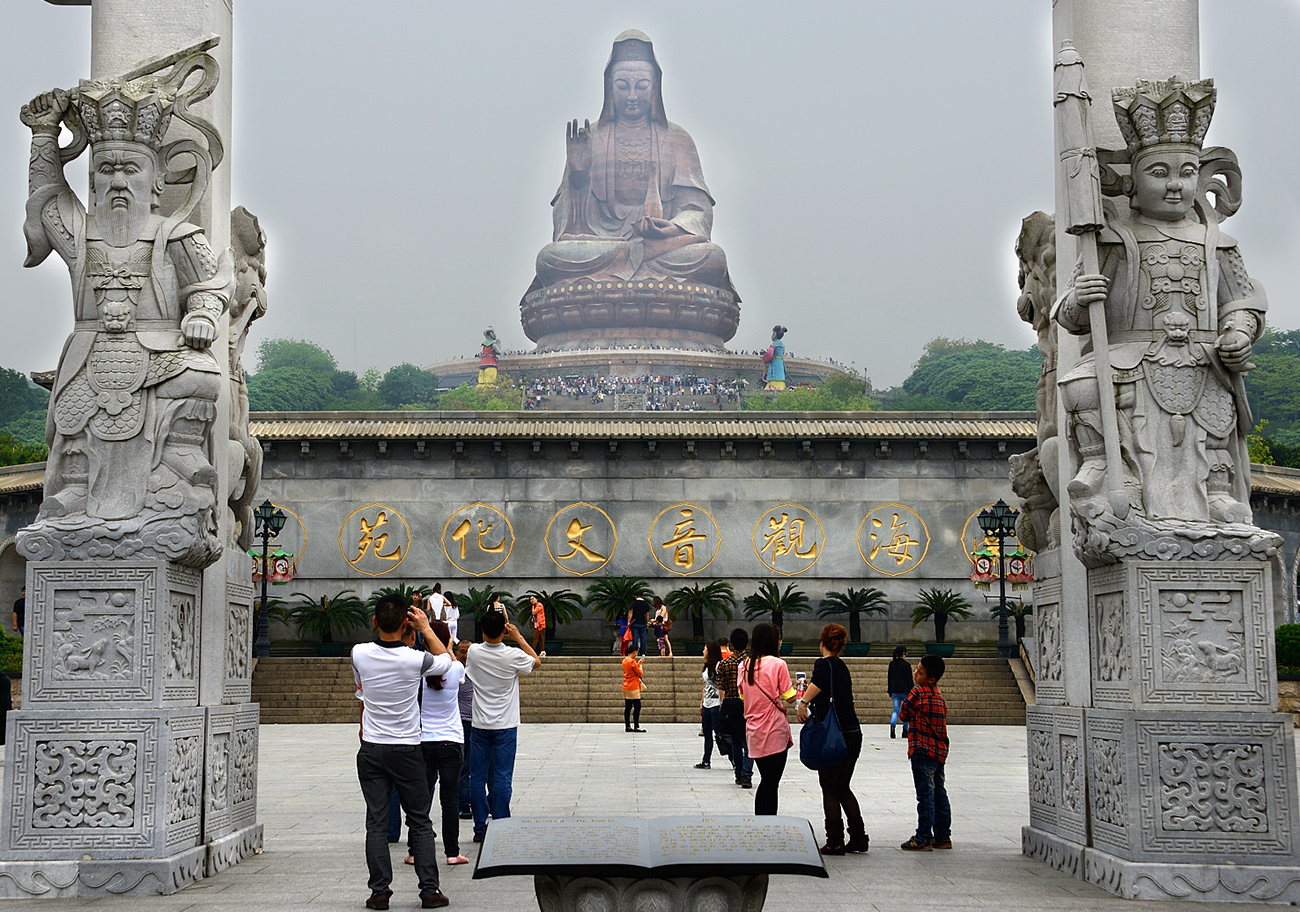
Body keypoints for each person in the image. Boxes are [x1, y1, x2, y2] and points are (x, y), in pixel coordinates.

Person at [352, 593, 452, 910]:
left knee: (376, 823)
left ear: (375, 621)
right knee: (419, 821)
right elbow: (447, 662)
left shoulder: (359, 653)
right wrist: (426, 629)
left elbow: (362, 693)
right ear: (407, 623)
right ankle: (429, 891)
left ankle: (379, 891)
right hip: (407, 748)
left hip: (371, 749)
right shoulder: (414, 659)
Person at [466, 610, 541, 844]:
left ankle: (480, 826)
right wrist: (518, 637)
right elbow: (536, 662)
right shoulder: (512, 655)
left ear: (482, 631)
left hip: (479, 724)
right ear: (504, 631)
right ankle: (500, 823)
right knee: (502, 776)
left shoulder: (473, 652)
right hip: (506, 725)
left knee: (476, 776)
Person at [797, 624, 868, 855]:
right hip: (853, 732)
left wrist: (803, 702)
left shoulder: (823, 664)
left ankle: (835, 840)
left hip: (833, 736)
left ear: (822, 643)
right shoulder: (842, 666)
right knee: (843, 786)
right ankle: (858, 837)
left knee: (829, 786)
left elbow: (817, 683)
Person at [738, 622, 795, 815]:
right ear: (773, 641)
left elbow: (743, 696)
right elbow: (790, 697)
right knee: (772, 782)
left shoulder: (744, 665)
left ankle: (760, 822)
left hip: (753, 730)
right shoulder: (779, 664)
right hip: (775, 730)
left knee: (766, 780)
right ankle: (769, 823)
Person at [898, 655, 950, 851]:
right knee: (939, 793)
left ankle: (923, 837)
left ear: (931, 679)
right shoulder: (938, 695)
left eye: (919, 672)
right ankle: (943, 836)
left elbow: (904, 714)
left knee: (925, 795)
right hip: (938, 752)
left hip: (921, 749)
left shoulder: (917, 692)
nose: (915, 673)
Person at [715, 627, 752, 788]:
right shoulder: (751, 663)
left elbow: (720, 685)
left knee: (736, 741)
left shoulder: (724, 663)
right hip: (747, 705)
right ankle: (746, 774)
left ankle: (738, 773)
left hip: (730, 704)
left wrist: (723, 704)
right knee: (748, 742)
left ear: (732, 643)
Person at [454, 640, 474, 820]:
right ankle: (464, 803)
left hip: (480, 723)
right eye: (461, 651)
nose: (466, 655)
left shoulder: (479, 670)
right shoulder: (453, 672)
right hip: (462, 723)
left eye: (469, 651)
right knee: (464, 765)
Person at [695, 641, 722, 769]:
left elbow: (722, 687)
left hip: (716, 704)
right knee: (707, 734)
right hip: (707, 703)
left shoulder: (718, 666)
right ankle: (706, 760)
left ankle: (733, 758)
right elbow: (705, 686)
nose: (703, 651)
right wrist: (702, 703)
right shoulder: (706, 667)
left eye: (705, 649)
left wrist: (722, 702)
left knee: (720, 733)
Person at [888, 646, 912, 740]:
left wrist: (890, 690)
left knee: (896, 710)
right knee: (906, 711)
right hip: (905, 691)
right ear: (903, 653)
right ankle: (905, 730)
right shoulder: (906, 665)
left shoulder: (892, 664)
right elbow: (909, 680)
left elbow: (889, 678)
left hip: (895, 690)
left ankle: (893, 726)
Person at [622, 642, 646, 732]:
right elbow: (639, 673)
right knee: (637, 706)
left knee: (628, 706)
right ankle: (636, 725)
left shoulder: (624, 660)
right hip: (633, 685)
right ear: (634, 652)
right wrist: (641, 665)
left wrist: (638, 664)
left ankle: (627, 725)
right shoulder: (632, 661)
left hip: (626, 685)